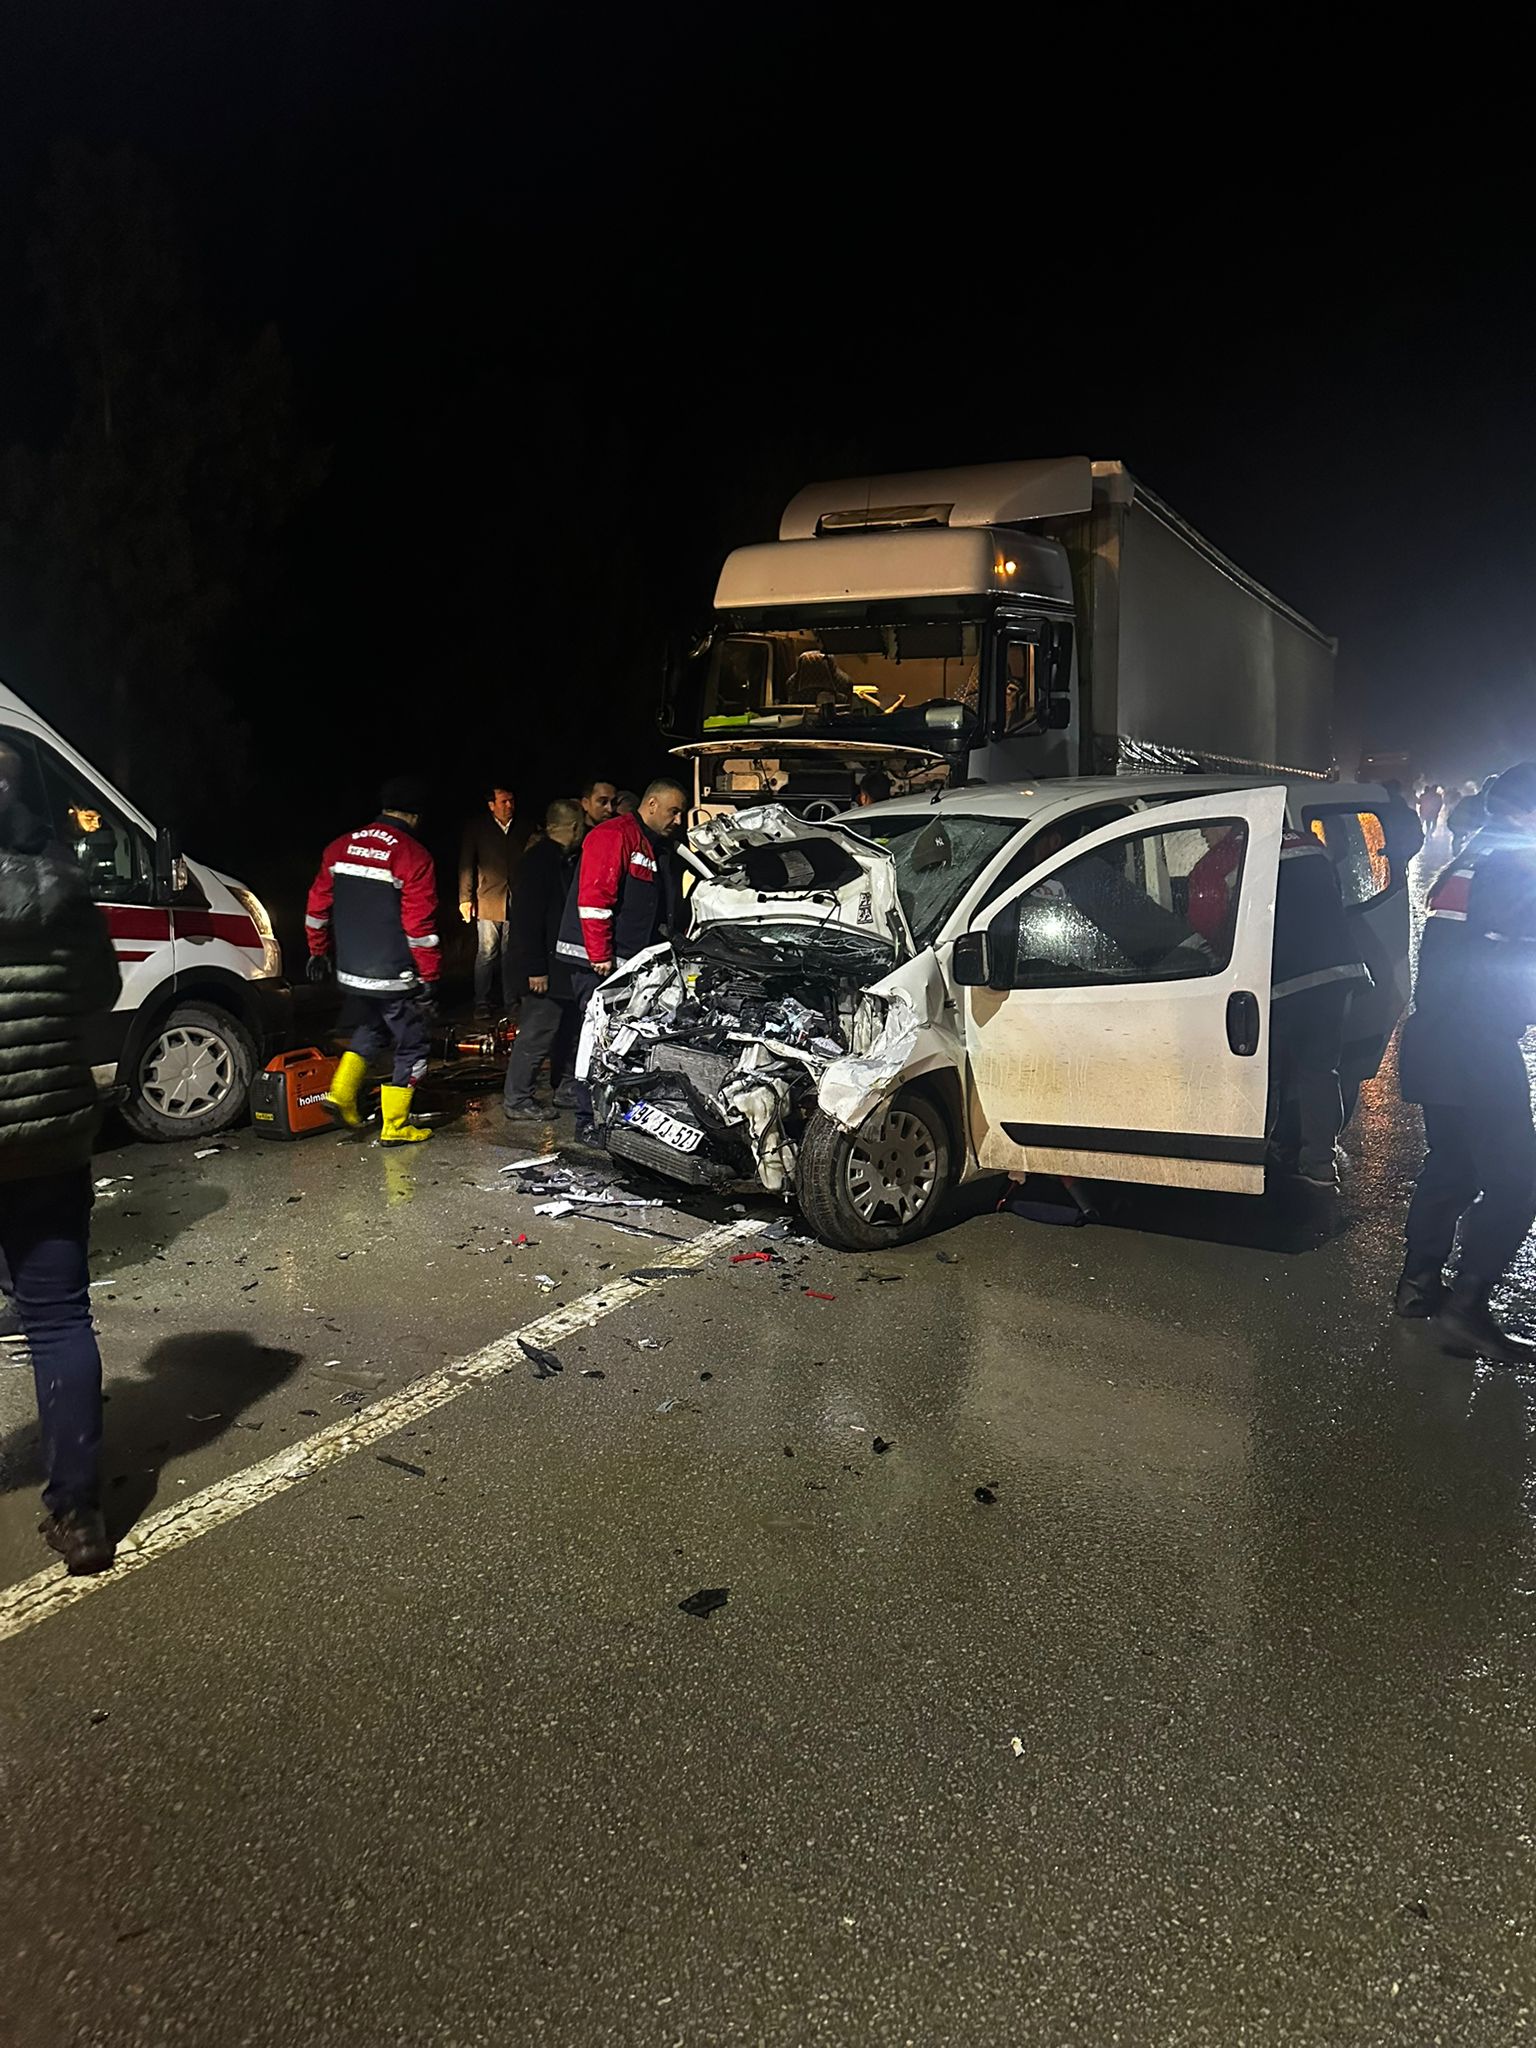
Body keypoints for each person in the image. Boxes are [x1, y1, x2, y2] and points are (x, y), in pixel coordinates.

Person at [0, 743, 122, 1574]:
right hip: (48, 1130)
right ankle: (78, 1515)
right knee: (57, 1318)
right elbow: (99, 991)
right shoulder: (62, 885)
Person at [1396, 762, 1536, 1357]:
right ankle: (1467, 1308)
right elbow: (1512, 966)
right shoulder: (1516, 865)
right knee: (1519, 1181)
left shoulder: (1474, 857)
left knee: (1452, 1162)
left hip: (1436, 1037)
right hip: (1477, 1044)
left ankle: (1418, 1284)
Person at [306, 777, 442, 1147]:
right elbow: (419, 926)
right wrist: (430, 973)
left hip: (352, 971)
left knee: (373, 1027)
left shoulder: (339, 846)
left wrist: (317, 950)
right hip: (394, 973)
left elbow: (317, 907)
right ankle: (395, 1125)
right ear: (415, 816)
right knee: (412, 1045)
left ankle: (341, 1094)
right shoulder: (413, 855)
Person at [556, 777, 687, 1138]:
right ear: (652, 804)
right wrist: (600, 955)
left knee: (618, 1044)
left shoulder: (653, 845)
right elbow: (595, 899)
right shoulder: (615, 835)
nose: (678, 819)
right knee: (596, 1041)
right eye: (674, 811)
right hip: (597, 963)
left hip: (625, 965)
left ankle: (613, 1115)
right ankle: (587, 1119)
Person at [1268, 825, 1368, 1190]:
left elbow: (1212, 917)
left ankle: (1258, 1156)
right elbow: (1335, 894)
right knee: (1320, 1071)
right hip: (1337, 973)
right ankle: (1321, 1163)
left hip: (1282, 978)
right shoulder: (1310, 842)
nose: (1205, 837)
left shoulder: (1239, 844)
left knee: (1263, 1074)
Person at [503, 799, 586, 1117]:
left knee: (565, 1030)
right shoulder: (539, 862)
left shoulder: (559, 859)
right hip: (541, 967)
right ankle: (517, 1099)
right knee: (537, 1033)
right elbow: (527, 920)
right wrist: (535, 968)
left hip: (558, 965)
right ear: (574, 826)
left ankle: (564, 1088)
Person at [458, 784, 520, 1018]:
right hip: (489, 898)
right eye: (503, 801)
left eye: (511, 800)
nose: (509, 805)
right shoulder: (478, 828)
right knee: (486, 952)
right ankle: (482, 1002)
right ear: (491, 805)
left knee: (510, 953)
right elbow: (466, 864)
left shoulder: (523, 826)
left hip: (516, 899)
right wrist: (465, 898)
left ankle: (511, 1001)